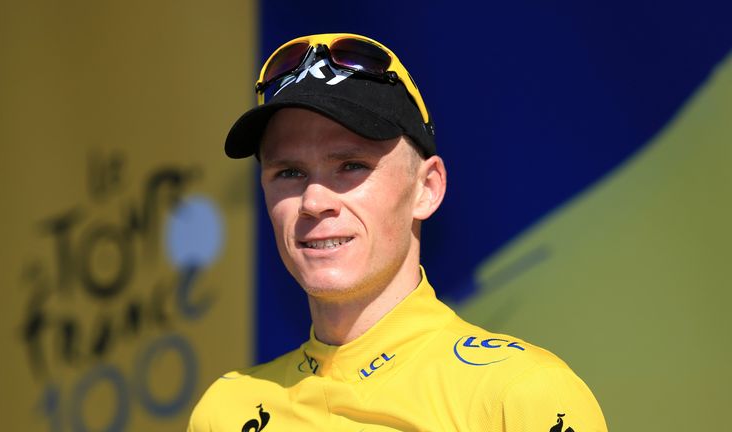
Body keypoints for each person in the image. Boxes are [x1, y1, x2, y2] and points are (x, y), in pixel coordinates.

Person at [188, 33, 607, 431]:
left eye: (351, 165)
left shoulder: (519, 395)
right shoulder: (227, 411)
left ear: (427, 188)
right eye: (289, 172)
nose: (314, 201)